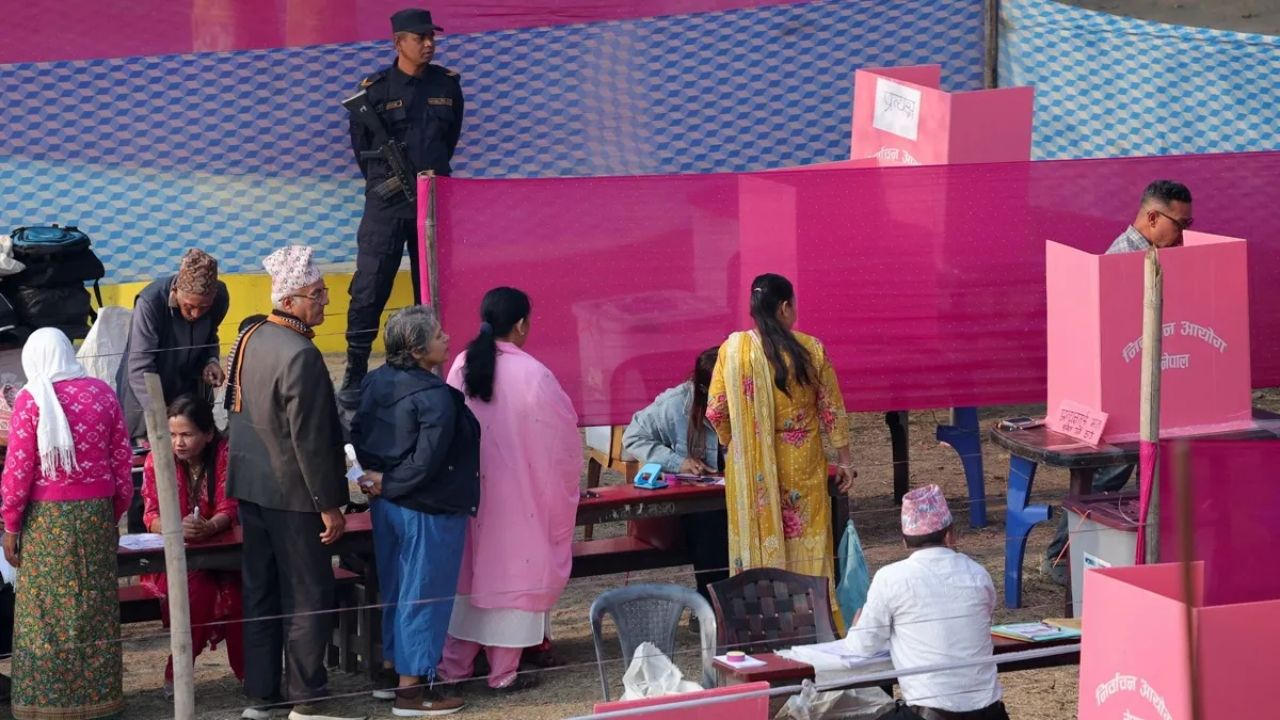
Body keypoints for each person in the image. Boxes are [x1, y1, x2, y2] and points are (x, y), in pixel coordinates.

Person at [225, 245, 363, 720]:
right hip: (293, 493)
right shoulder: (300, 354)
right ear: (289, 300)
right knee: (309, 593)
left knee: (262, 589)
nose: (326, 301)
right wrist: (329, 503)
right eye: (317, 294)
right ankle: (307, 698)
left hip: (251, 486)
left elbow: (234, 412)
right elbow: (309, 438)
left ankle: (263, 694)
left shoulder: (250, 336)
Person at [1042, 179, 1195, 584]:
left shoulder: (1150, 256)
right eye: (1180, 224)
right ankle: (1061, 556)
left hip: (1138, 389)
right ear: (1151, 217)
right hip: (1118, 399)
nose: (1184, 234)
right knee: (1109, 475)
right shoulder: (1124, 263)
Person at [438, 287, 581, 692]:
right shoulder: (534, 374)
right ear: (521, 324)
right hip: (522, 500)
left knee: (468, 577)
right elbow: (564, 445)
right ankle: (502, 672)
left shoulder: (462, 364)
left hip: (473, 497)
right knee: (512, 577)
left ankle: (455, 668)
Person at [351, 306, 479, 716]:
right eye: (438, 334)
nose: (446, 337)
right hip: (428, 508)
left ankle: (393, 671)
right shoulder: (435, 397)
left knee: (397, 587)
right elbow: (427, 462)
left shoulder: (374, 382)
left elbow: (358, 434)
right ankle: (414, 689)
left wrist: (376, 479)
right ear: (419, 348)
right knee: (424, 594)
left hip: (388, 507)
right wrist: (391, 481)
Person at [0, 328, 134, 720]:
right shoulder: (102, 394)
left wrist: (10, 525)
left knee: (44, 611)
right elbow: (122, 462)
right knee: (94, 605)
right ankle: (99, 700)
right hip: (95, 515)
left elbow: (18, 471)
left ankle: (46, 703)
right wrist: (113, 514)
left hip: (46, 522)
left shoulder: (31, 399)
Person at [340, 7, 465, 407]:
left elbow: (449, 140)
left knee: (431, 290)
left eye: (431, 37)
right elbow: (364, 153)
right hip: (387, 205)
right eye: (419, 38)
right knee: (369, 288)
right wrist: (391, 184)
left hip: (433, 203)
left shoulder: (447, 85)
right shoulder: (374, 91)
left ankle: (428, 370)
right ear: (398, 43)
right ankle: (356, 371)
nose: (428, 44)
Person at [706, 273, 856, 592]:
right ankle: (813, 613)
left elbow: (715, 411)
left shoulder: (732, 351)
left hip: (748, 469)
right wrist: (844, 460)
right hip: (801, 464)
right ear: (786, 307)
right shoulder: (810, 349)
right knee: (806, 540)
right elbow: (831, 409)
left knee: (755, 540)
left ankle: (759, 613)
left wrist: (738, 444)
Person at [846, 485, 1008, 720]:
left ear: (904, 543)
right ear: (950, 535)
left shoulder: (890, 577)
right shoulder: (978, 573)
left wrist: (859, 628)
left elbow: (861, 648)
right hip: (990, 714)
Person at [140, 394, 243, 696]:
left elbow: (230, 505)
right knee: (195, 597)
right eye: (172, 435)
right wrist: (176, 527)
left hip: (226, 553)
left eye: (186, 434)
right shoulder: (157, 459)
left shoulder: (225, 453)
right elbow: (150, 514)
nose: (178, 443)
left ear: (208, 434)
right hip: (177, 557)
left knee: (239, 599)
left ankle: (250, 675)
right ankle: (178, 672)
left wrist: (210, 526)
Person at [622, 346, 730, 601]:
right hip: (698, 505)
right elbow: (633, 436)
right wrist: (677, 462)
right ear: (705, 389)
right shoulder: (676, 403)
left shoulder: (748, 398)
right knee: (709, 522)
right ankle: (711, 602)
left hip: (738, 492)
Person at [117, 247, 230, 440]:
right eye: (189, 306)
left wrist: (210, 361)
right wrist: (165, 416)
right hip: (147, 399)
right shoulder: (150, 303)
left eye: (204, 307)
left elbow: (211, 337)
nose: (196, 314)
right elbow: (140, 367)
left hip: (188, 394)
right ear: (176, 291)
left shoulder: (219, 298)